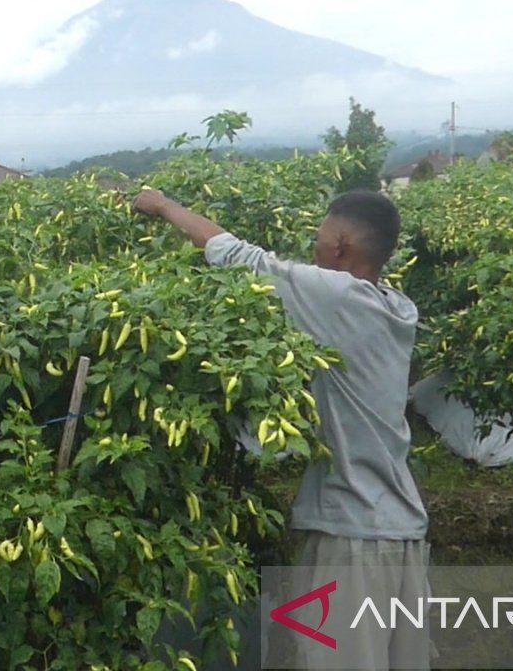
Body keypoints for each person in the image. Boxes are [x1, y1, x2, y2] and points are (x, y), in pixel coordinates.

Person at [132, 187, 430, 671]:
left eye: (318, 238)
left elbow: (237, 257)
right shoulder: (395, 306)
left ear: (341, 244)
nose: (312, 247)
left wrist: (163, 206)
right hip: (398, 532)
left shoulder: (338, 297)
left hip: (354, 537)